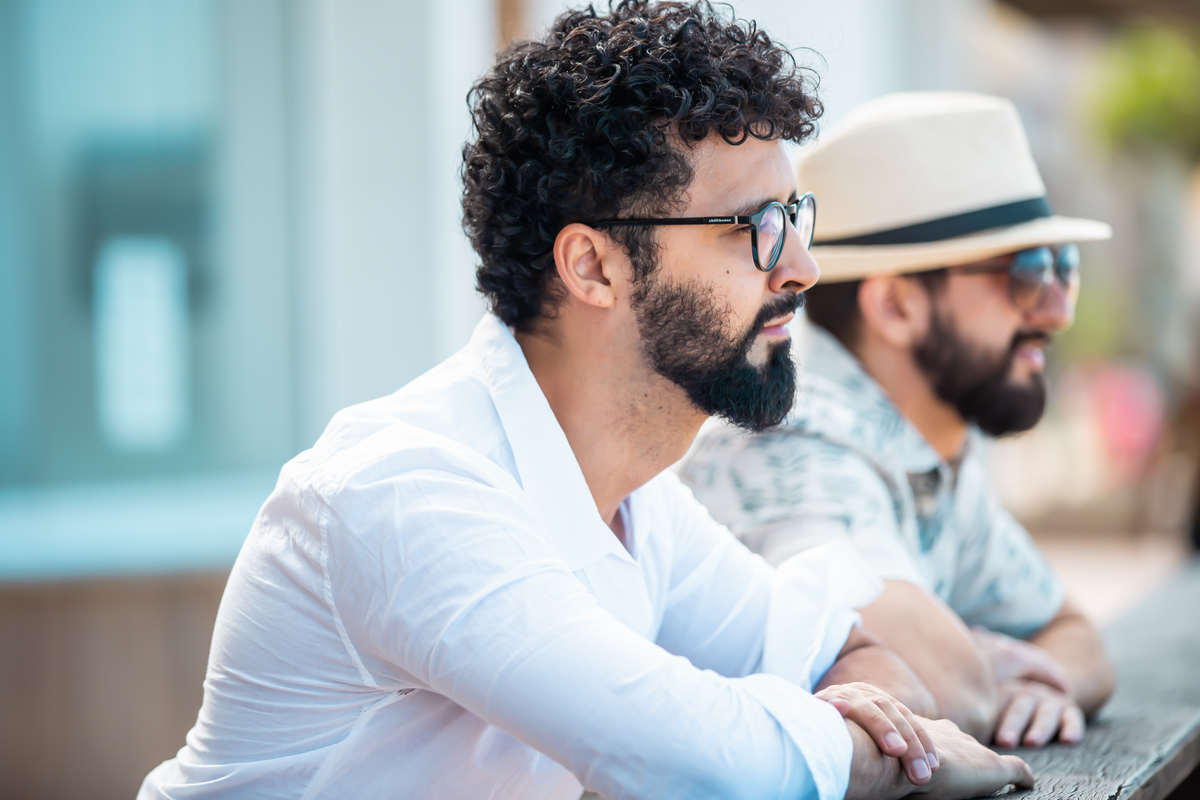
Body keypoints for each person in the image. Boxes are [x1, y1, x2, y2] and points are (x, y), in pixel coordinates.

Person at [139, 9, 1033, 800]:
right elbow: (707, 766)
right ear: (592, 266)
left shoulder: (637, 504)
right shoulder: (406, 492)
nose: (802, 266)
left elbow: (852, 658)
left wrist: (842, 721)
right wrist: (874, 752)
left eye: (795, 217)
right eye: (755, 228)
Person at [680, 91, 1116, 752]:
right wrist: (979, 671)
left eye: (1063, 267)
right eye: (1026, 272)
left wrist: (1033, 688)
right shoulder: (789, 439)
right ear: (896, 306)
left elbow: (1077, 638)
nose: (1057, 310)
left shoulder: (926, 449)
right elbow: (948, 687)